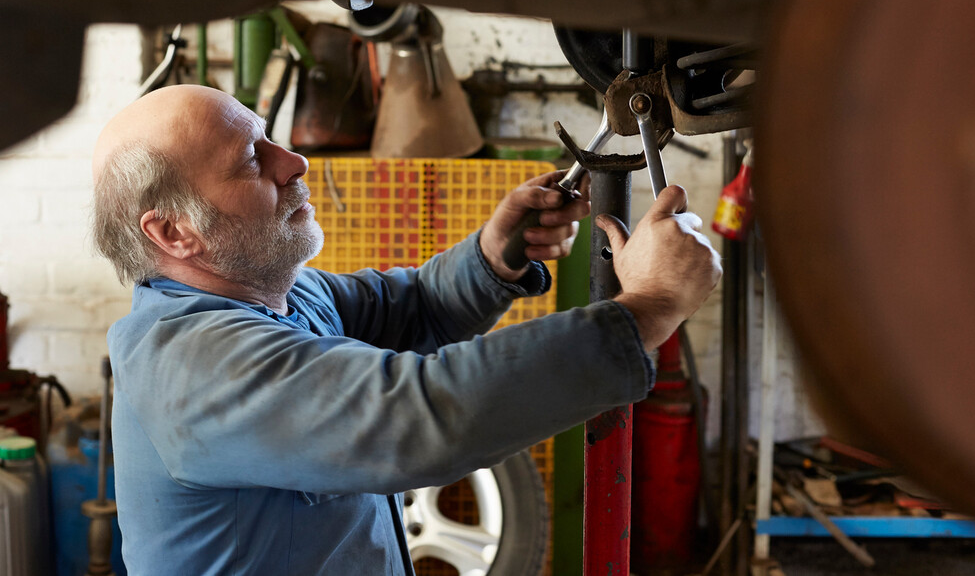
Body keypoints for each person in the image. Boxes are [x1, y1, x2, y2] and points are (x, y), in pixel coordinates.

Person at [90, 84, 720, 575]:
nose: (294, 162)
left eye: (270, 138)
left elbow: (410, 306)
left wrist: (495, 254)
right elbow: (424, 415)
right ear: (174, 232)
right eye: (252, 160)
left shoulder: (275, 297)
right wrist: (651, 305)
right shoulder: (192, 367)